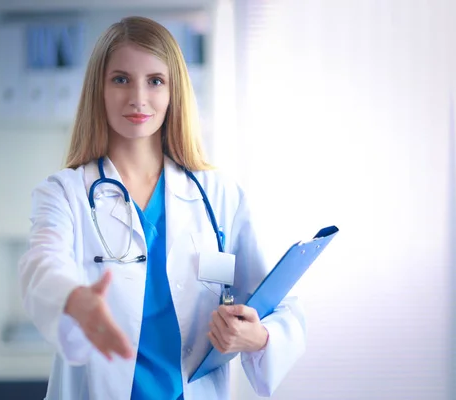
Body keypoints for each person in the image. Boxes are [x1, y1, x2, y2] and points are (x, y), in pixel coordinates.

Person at [18, 16, 306, 400]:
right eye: (121, 79)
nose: (138, 98)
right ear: (98, 91)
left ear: (174, 92)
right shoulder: (66, 192)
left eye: (155, 81)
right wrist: (73, 299)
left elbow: (278, 303)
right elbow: (42, 264)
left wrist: (258, 335)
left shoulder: (219, 195)